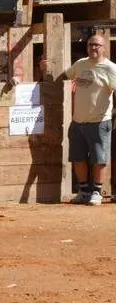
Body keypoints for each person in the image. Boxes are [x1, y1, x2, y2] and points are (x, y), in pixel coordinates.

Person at [57, 33, 116, 204]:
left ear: (104, 48)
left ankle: (97, 192)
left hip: (99, 121)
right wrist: (47, 72)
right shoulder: (80, 64)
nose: (93, 48)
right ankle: (83, 191)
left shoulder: (110, 68)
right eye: (91, 44)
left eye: (97, 45)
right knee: (78, 157)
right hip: (78, 121)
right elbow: (64, 76)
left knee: (99, 158)